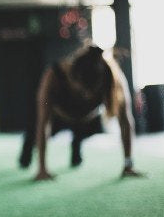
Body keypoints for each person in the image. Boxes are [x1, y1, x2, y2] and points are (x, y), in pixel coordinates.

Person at [19, 44, 142, 181]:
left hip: (87, 119)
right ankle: (28, 147)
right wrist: (42, 168)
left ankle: (76, 143)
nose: (87, 97)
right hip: (58, 116)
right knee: (32, 135)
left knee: (86, 136)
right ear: (73, 77)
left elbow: (125, 121)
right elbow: (43, 123)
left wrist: (128, 164)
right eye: (82, 91)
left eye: (91, 92)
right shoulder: (53, 75)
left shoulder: (112, 77)